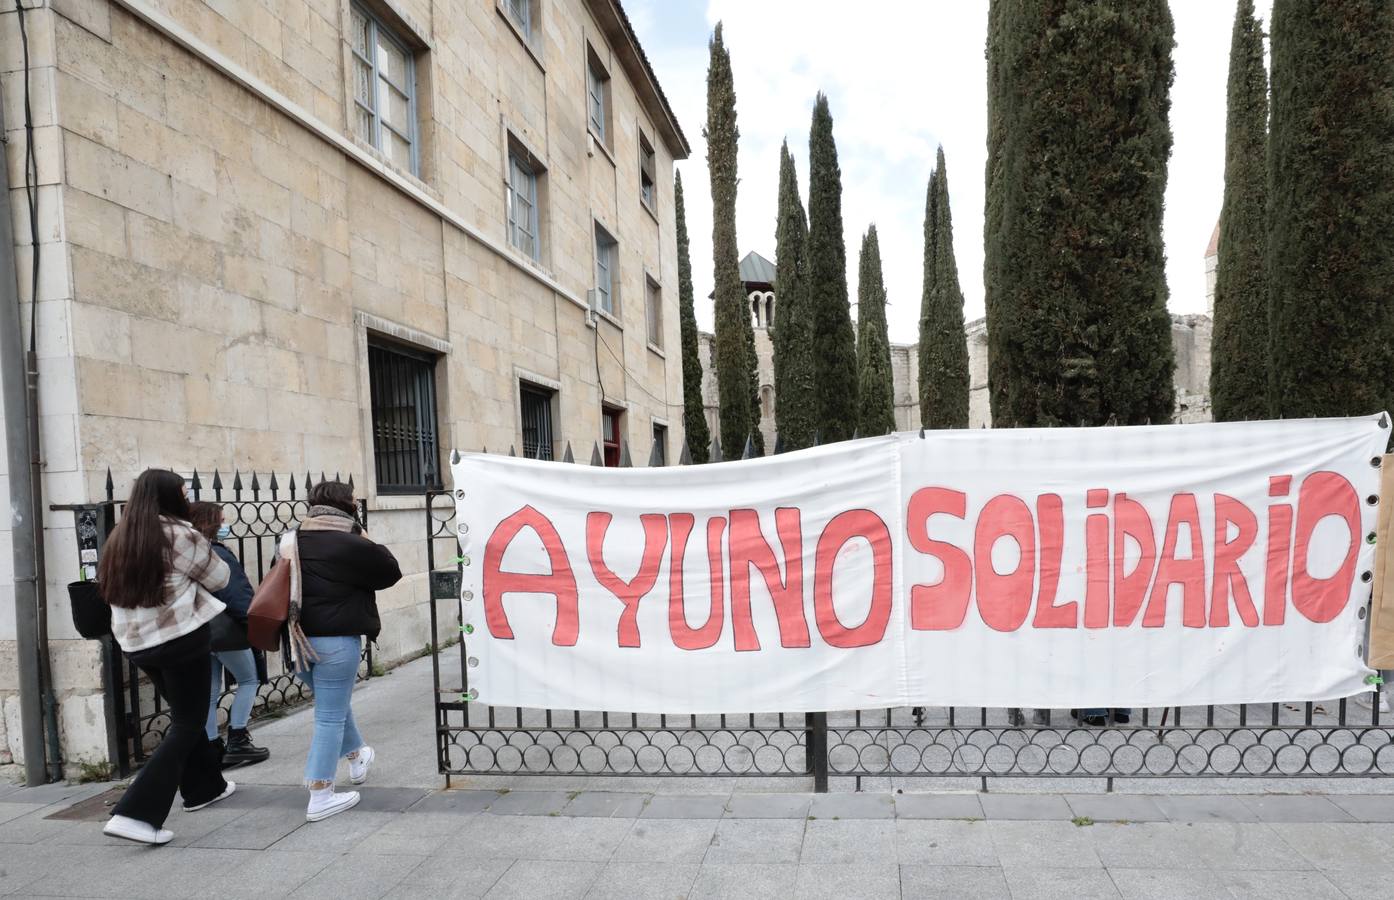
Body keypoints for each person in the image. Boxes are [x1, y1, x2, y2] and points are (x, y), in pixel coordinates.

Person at [97, 470, 235, 845]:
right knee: (188, 723)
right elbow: (221, 577)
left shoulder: (120, 536)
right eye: (184, 492)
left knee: (183, 716)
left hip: (137, 643)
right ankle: (135, 814)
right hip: (180, 638)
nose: (187, 498)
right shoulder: (180, 533)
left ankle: (205, 787)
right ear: (170, 496)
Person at [281, 480, 401, 822]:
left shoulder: (292, 539)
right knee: (329, 716)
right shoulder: (348, 542)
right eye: (352, 499)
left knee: (332, 703)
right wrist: (363, 535)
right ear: (346, 505)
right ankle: (320, 795)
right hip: (336, 641)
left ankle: (357, 755)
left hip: (297, 641)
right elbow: (390, 571)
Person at [187, 502, 270, 768]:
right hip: (226, 630)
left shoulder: (186, 552)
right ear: (209, 522)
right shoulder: (216, 553)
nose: (225, 526)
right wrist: (252, 625)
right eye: (221, 521)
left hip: (199, 631)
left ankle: (212, 746)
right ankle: (238, 739)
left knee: (209, 690)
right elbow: (236, 593)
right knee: (249, 679)